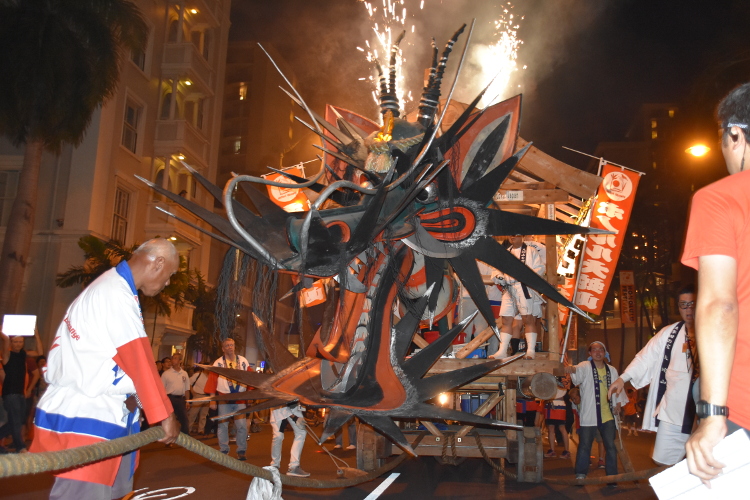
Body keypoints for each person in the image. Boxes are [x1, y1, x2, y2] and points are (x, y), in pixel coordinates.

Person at [30, 238, 180, 499]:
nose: (168, 282)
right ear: (158, 263)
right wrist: (166, 415)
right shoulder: (114, 292)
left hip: (106, 415)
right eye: (171, 274)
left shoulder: (115, 289)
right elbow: (139, 359)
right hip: (89, 417)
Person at [681, 83, 750, 485]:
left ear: (736, 134)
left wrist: (712, 414)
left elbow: (719, 304)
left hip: (742, 407)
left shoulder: (721, 198)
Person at [608, 285, 697, 465]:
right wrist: (622, 379)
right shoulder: (669, 333)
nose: (688, 309)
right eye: (683, 305)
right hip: (672, 414)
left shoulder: (715, 331)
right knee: (662, 463)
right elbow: (645, 357)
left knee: (703, 467)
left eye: (692, 304)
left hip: (703, 415)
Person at [566, 341, 628, 482]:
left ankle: (612, 476)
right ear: (590, 353)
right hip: (590, 413)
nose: (598, 352)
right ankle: (580, 473)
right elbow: (577, 372)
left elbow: (618, 387)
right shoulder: (585, 366)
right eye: (594, 349)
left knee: (610, 446)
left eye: (601, 349)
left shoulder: (611, 370)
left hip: (607, 414)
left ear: (605, 353)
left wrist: (618, 403)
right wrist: (572, 369)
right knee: (585, 445)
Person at [491, 234, 545, 360]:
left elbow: (540, 269)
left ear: (522, 236)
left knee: (528, 319)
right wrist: (499, 276)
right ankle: (502, 350)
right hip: (508, 287)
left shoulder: (531, 251)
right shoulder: (505, 253)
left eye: (516, 234)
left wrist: (526, 277)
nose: (513, 237)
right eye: (511, 235)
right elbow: (496, 269)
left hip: (523, 287)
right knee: (506, 319)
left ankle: (530, 350)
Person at [204, 338, 252, 460]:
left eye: (232, 345)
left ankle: (241, 450)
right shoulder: (218, 363)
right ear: (223, 349)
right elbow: (212, 380)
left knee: (241, 426)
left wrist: (250, 394)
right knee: (222, 426)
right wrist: (212, 399)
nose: (230, 347)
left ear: (235, 347)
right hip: (224, 398)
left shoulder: (243, 361)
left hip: (240, 398)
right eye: (227, 345)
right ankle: (224, 450)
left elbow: (250, 377)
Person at [0, 328, 43, 453]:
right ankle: (21, 447)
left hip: (20, 394)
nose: (18, 344)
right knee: (16, 421)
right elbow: (5, 339)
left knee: (16, 421)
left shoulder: (23, 354)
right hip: (10, 394)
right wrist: (2, 330)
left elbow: (40, 353)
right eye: (15, 342)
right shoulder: (7, 355)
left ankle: (18, 445)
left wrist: (36, 335)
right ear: (11, 343)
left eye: (20, 342)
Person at [270, 404, 310, 477]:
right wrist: (294, 417)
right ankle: (274, 465)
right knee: (278, 436)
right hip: (279, 408)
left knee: (301, 432)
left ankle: (294, 466)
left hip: (293, 406)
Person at [161, 352, 191, 435]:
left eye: (175, 358)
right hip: (169, 398)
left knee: (184, 419)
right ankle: (167, 436)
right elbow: (161, 389)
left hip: (180, 399)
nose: (173, 360)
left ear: (180, 361)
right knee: (169, 419)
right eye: (172, 358)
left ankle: (185, 437)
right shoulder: (166, 374)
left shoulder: (184, 373)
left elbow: (187, 389)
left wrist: (187, 401)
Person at [187, 366, 209, 435]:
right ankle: (188, 429)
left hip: (207, 396)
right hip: (198, 395)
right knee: (193, 414)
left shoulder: (210, 376)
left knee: (203, 415)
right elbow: (188, 382)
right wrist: (192, 391)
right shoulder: (198, 375)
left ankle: (201, 430)